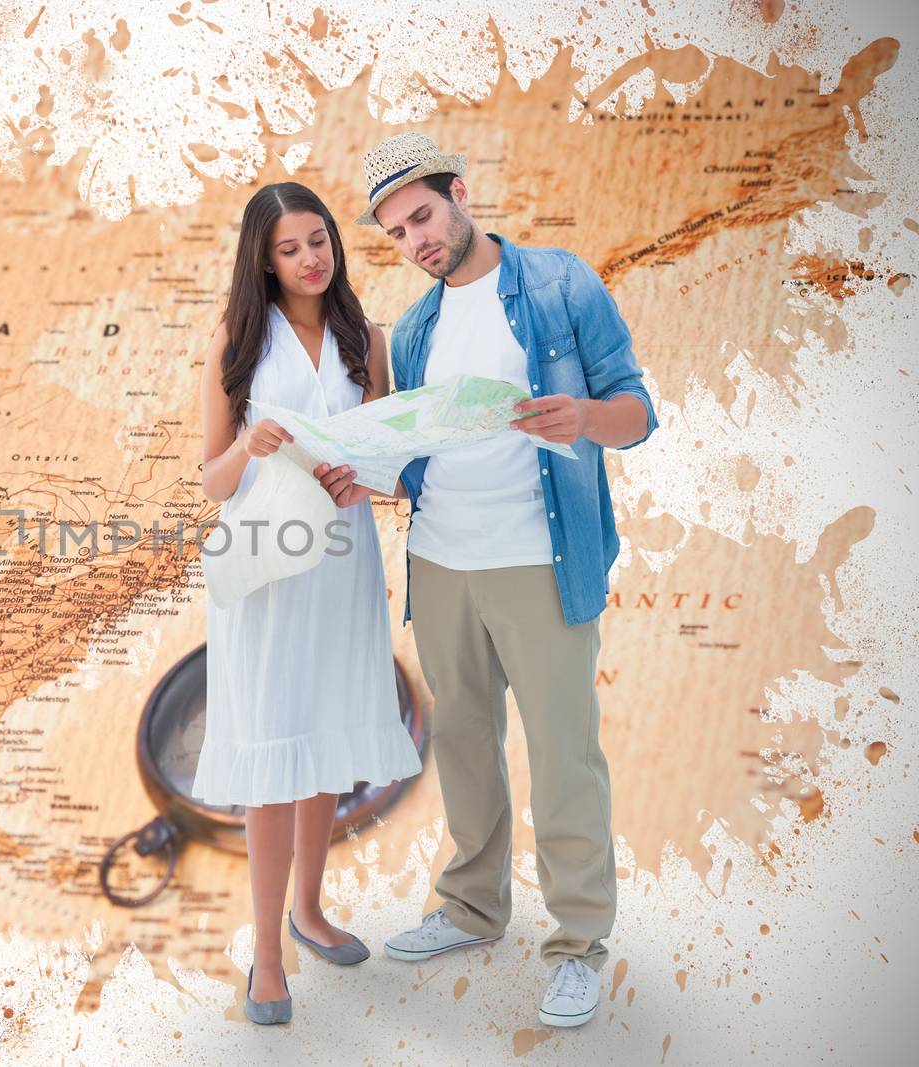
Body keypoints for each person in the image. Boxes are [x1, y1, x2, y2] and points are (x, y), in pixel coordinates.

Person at [320, 132, 658, 1029]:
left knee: (562, 754)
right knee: (464, 744)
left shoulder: (559, 284)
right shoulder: (419, 325)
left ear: (460, 194)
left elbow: (638, 413)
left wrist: (583, 415)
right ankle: (472, 908)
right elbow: (414, 449)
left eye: (423, 217)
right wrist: (365, 470)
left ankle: (579, 942)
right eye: (396, 234)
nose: (416, 242)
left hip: (538, 562)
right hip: (440, 559)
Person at [192, 181, 424, 1026]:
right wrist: (251, 445)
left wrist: (358, 477)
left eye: (319, 240)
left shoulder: (365, 335)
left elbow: (382, 460)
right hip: (266, 568)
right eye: (290, 248)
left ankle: (311, 909)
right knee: (272, 748)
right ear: (263, 257)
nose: (310, 259)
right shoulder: (236, 340)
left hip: (340, 561)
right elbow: (213, 481)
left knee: (325, 736)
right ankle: (265, 950)